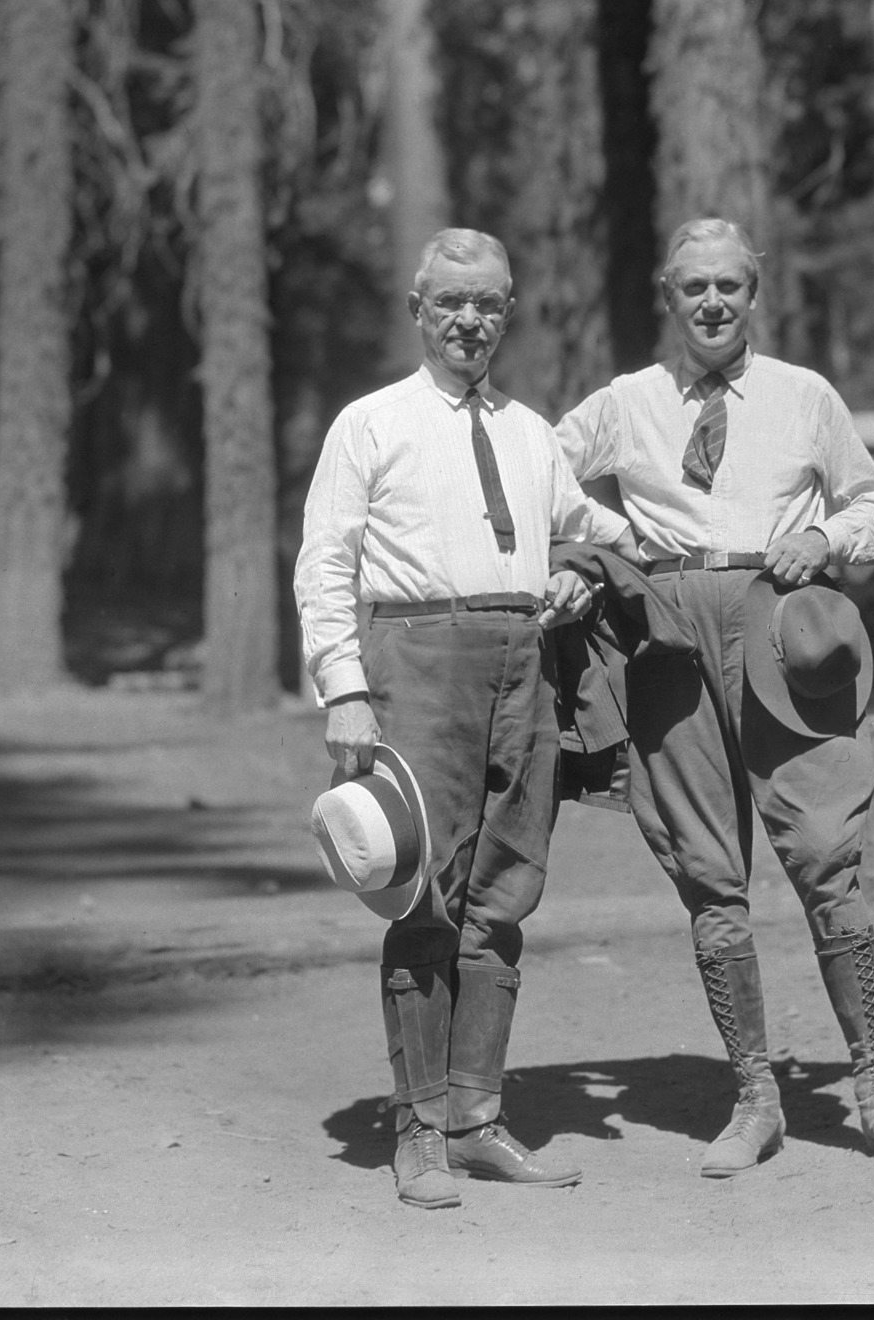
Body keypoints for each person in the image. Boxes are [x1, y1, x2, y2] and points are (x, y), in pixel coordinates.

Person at [555, 217, 874, 1175]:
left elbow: (866, 504)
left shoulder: (803, 395)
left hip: (779, 626)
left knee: (822, 852)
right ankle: (754, 1097)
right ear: (668, 294)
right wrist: (610, 542)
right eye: (695, 288)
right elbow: (537, 471)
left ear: (753, 294)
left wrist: (829, 541)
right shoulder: (626, 401)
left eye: (729, 286)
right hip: (668, 636)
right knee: (707, 870)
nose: (713, 304)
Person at [294, 227, 638, 1210]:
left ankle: (477, 1116)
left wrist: (579, 569)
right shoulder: (371, 423)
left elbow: (592, 529)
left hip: (519, 667)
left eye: (487, 302)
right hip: (418, 663)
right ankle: (417, 1132)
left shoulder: (531, 431)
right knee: (426, 895)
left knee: (504, 894)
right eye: (450, 301)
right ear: (418, 309)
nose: (469, 319)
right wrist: (344, 686)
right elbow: (325, 561)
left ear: (507, 310)